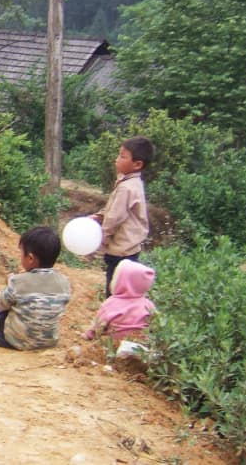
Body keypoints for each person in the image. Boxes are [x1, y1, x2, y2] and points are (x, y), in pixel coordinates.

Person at [0, 226, 72, 351]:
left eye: (21, 253)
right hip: (50, 341)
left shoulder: (18, 281)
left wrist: (9, 283)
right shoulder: (64, 281)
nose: (20, 256)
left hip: (17, 341)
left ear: (30, 258)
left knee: (2, 315)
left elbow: (2, 303)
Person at [89, 136, 154, 296]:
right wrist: (98, 216)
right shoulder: (129, 183)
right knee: (123, 289)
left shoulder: (127, 188)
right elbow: (112, 208)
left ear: (137, 164)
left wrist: (101, 239)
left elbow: (114, 218)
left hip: (121, 251)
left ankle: (113, 316)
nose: (116, 160)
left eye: (122, 156)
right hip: (129, 249)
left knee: (114, 290)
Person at [83, 259, 155, 342]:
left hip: (114, 346)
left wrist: (90, 334)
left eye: (115, 279)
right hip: (140, 346)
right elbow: (156, 325)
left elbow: (99, 325)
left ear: (122, 283)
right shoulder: (148, 305)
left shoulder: (110, 304)